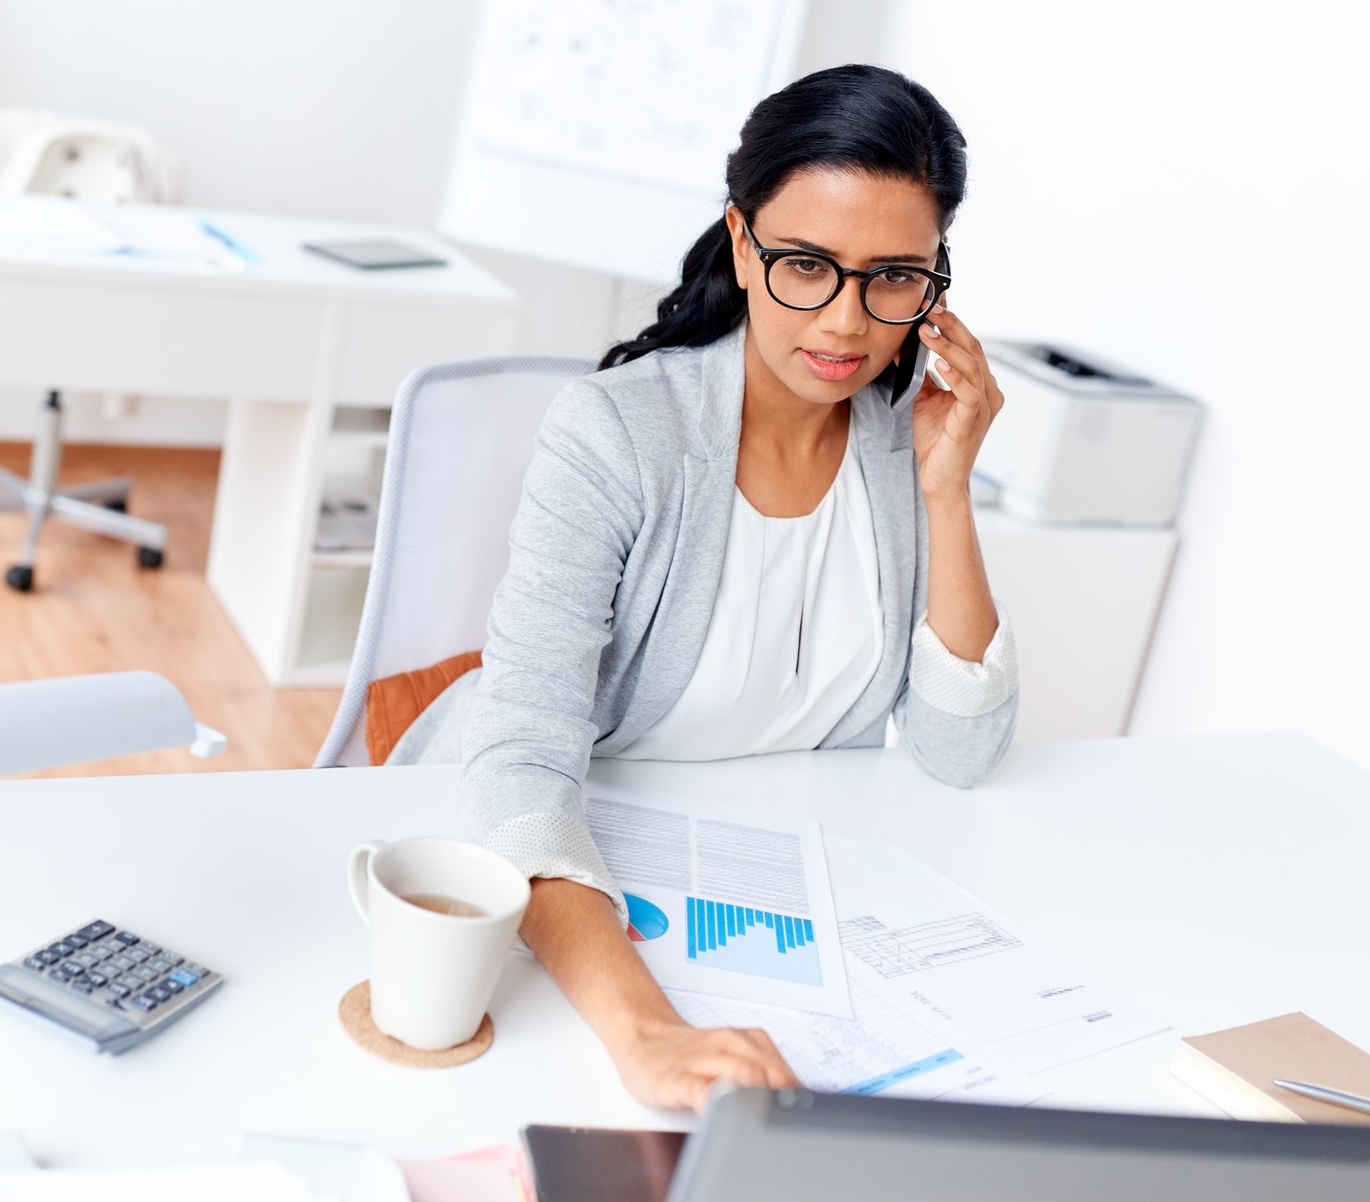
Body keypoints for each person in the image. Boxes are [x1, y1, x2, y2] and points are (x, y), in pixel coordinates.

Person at [389, 64, 1016, 1110]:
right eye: (805, 265)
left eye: (894, 277)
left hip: (764, 898)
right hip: (548, 867)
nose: (848, 322)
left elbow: (959, 750)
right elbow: (523, 765)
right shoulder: (620, 433)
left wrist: (944, 488)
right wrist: (645, 1032)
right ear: (740, 239)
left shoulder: (896, 441)